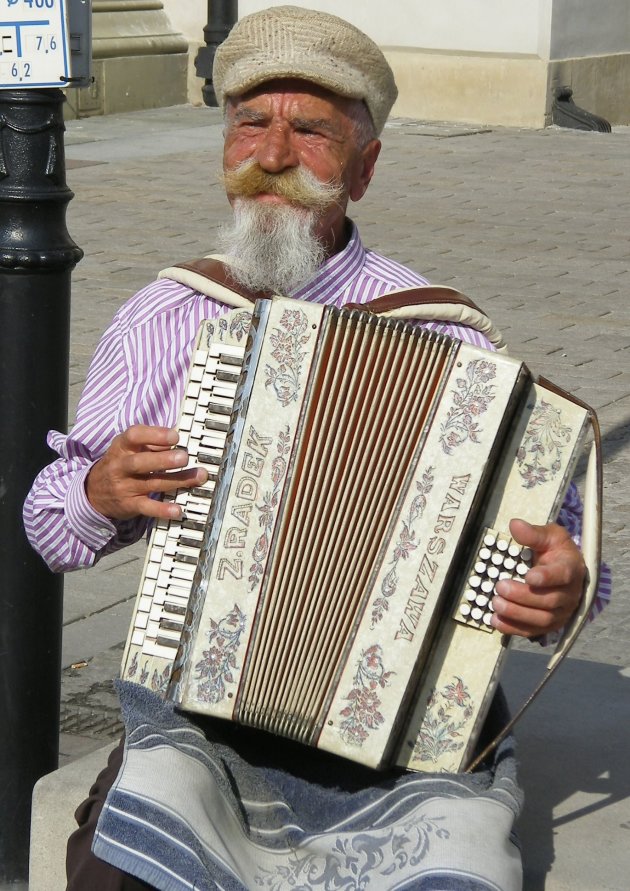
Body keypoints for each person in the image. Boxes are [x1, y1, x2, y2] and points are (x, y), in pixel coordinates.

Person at [24, 7, 610, 891]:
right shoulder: (168, 314)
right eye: (250, 123)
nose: (272, 154)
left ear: (364, 169)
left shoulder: (446, 334)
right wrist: (96, 493)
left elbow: (568, 558)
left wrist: (560, 585)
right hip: (200, 717)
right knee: (124, 871)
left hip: (401, 730)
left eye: (311, 131)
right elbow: (50, 530)